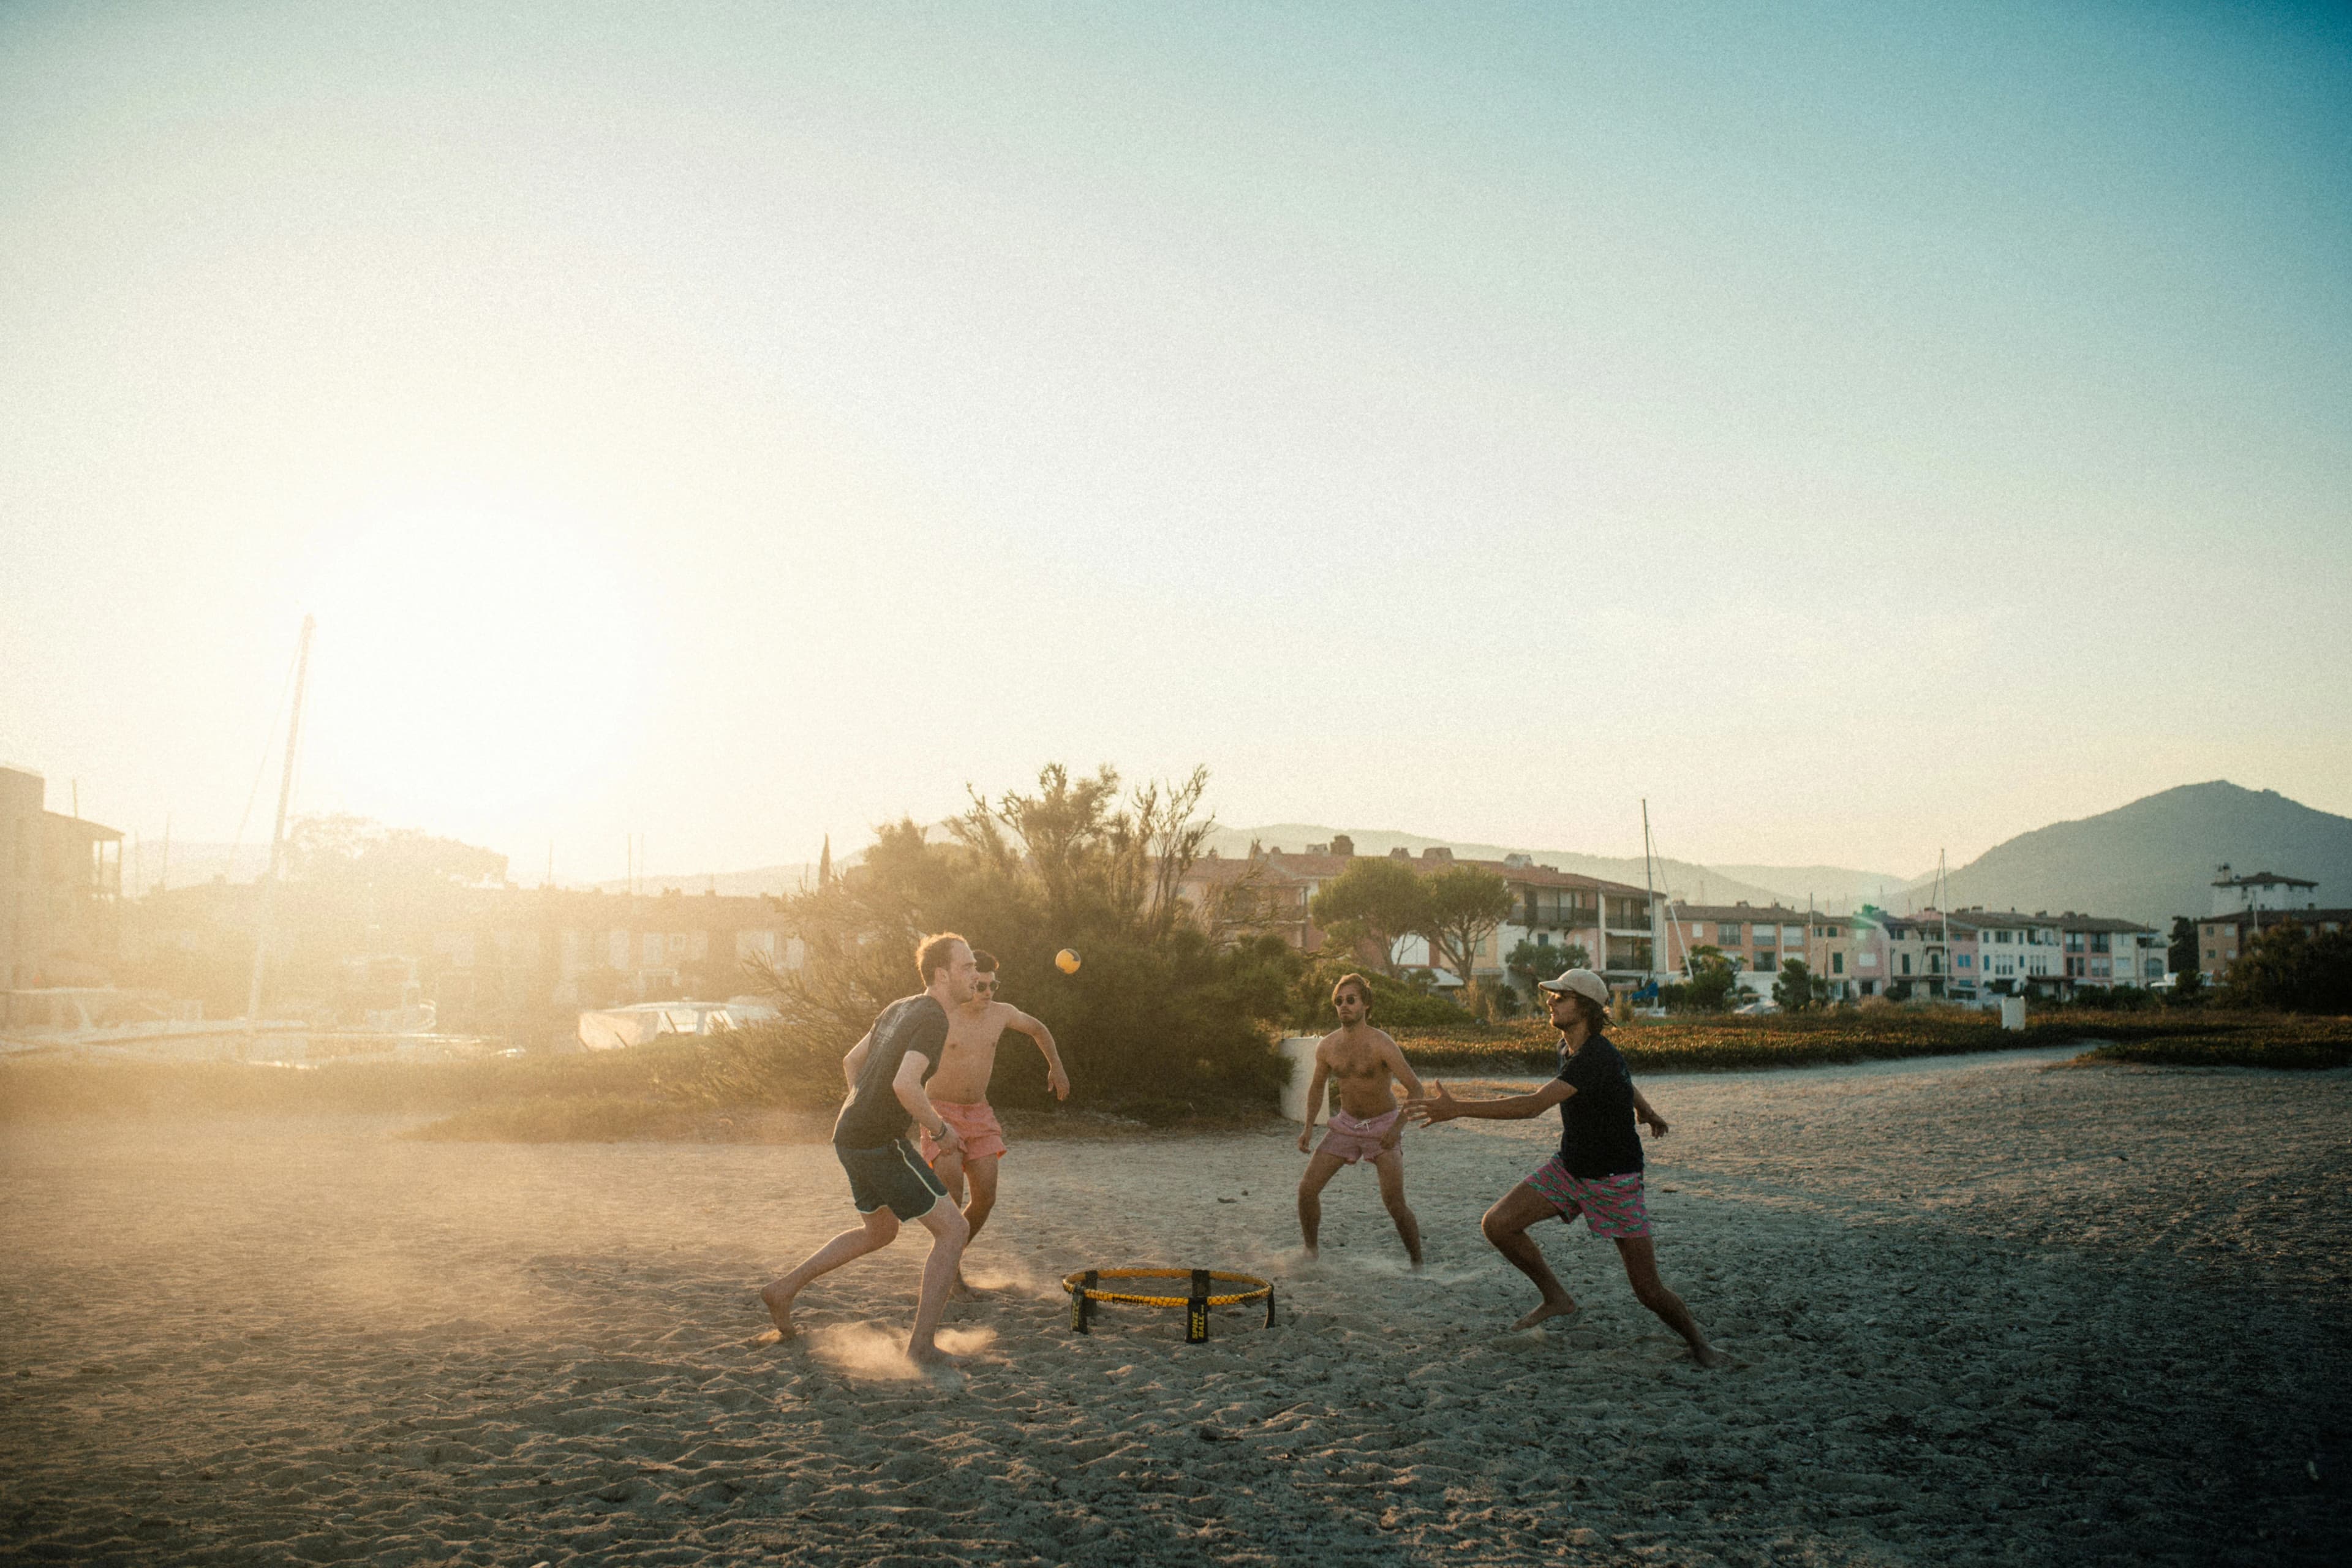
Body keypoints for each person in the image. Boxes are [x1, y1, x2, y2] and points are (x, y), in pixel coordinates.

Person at [1408, 967, 1722, 1365]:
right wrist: (1647, 1110)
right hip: (1570, 1168)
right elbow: (1625, 1081)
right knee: (1498, 1224)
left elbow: (1534, 1105)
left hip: (1614, 1179)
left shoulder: (1597, 1056)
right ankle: (1556, 1296)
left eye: (1561, 997)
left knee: (1648, 1290)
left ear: (1587, 1008)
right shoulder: (1568, 1046)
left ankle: (1701, 1346)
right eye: (1551, 996)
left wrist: (1458, 1109)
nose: (1551, 1001)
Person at [758, 932, 978, 1366]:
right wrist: (938, 1129)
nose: (975, 975)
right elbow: (904, 1084)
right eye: (968, 967)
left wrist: (862, 1106)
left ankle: (782, 1289)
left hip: (849, 1132)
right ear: (942, 974)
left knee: (880, 1231)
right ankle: (920, 1349)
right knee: (954, 1232)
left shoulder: (899, 1007)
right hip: (876, 1140)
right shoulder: (934, 1017)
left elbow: (851, 1062)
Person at [916, 948, 1071, 1295]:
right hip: (940, 1112)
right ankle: (949, 1269)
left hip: (980, 1112)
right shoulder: (942, 1014)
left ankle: (951, 1254)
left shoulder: (1002, 1014)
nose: (987, 993)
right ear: (967, 983)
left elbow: (1039, 1029)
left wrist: (1056, 1066)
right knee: (952, 1194)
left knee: (986, 1196)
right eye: (980, 986)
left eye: (993, 986)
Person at [1295, 973, 1424, 1266]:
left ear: (1366, 1004)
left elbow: (1416, 1088)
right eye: (1339, 1001)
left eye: (1351, 1000)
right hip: (1346, 1124)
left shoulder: (1382, 1044)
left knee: (1394, 1203)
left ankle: (1418, 1262)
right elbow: (1317, 1088)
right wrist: (1307, 1128)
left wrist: (1397, 1128)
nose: (1344, 1006)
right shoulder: (1327, 1046)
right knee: (1307, 1190)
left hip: (1383, 1126)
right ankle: (1311, 1251)